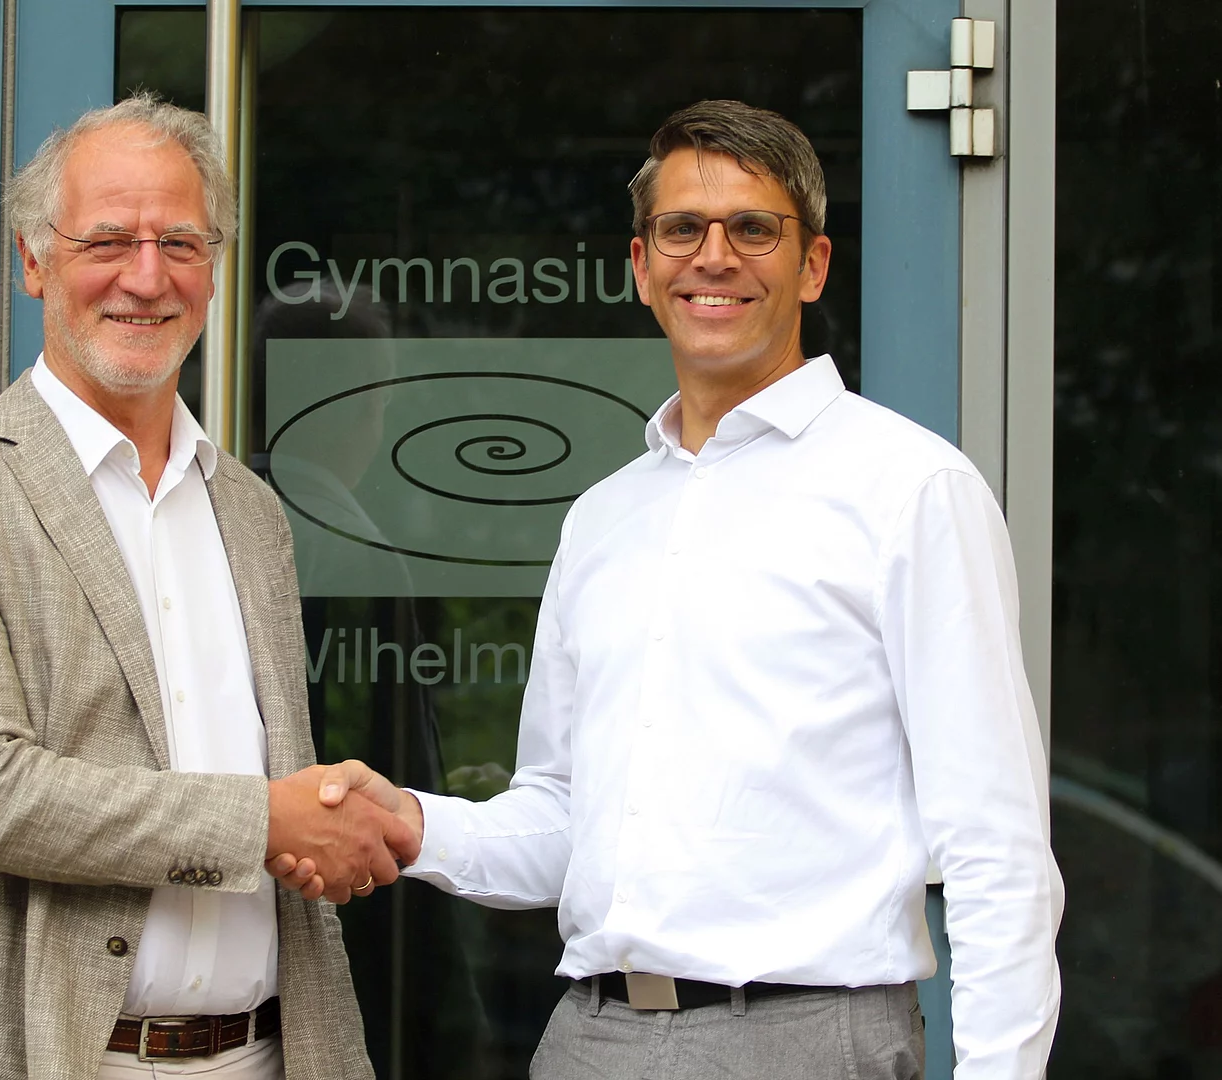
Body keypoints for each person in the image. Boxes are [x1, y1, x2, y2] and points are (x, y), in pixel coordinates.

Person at [286, 99, 1065, 1078]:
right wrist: (410, 820)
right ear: (641, 266)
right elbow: (563, 816)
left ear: (813, 265)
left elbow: (995, 844)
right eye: (683, 229)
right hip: (591, 1039)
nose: (714, 257)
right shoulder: (604, 517)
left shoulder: (911, 489)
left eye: (754, 229)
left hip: (807, 1042)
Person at [0, 92, 417, 1080]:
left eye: (180, 244)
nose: (147, 278)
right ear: (34, 262)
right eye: (108, 241)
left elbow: (279, 787)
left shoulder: (251, 514)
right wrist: (269, 821)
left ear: (214, 271)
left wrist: (330, 824)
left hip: (269, 1054)